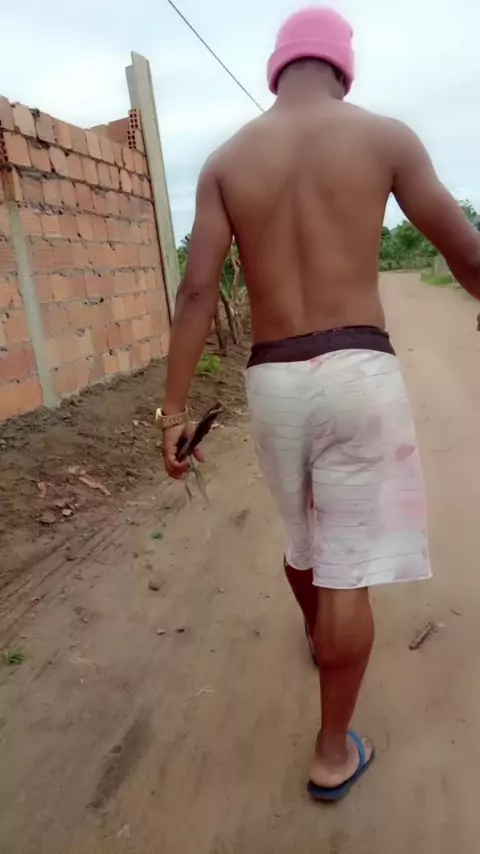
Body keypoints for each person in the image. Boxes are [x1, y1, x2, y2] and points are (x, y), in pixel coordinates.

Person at [158, 6, 480, 801]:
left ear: (278, 68)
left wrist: (173, 411)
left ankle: (317, 633)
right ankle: (332, 753)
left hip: (274, 381)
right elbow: (465, 251)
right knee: (348, 569)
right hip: (359, 373)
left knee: (304, 542)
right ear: (342, 67)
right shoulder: (385, 138)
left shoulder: (226, 161)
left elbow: (197, 290)